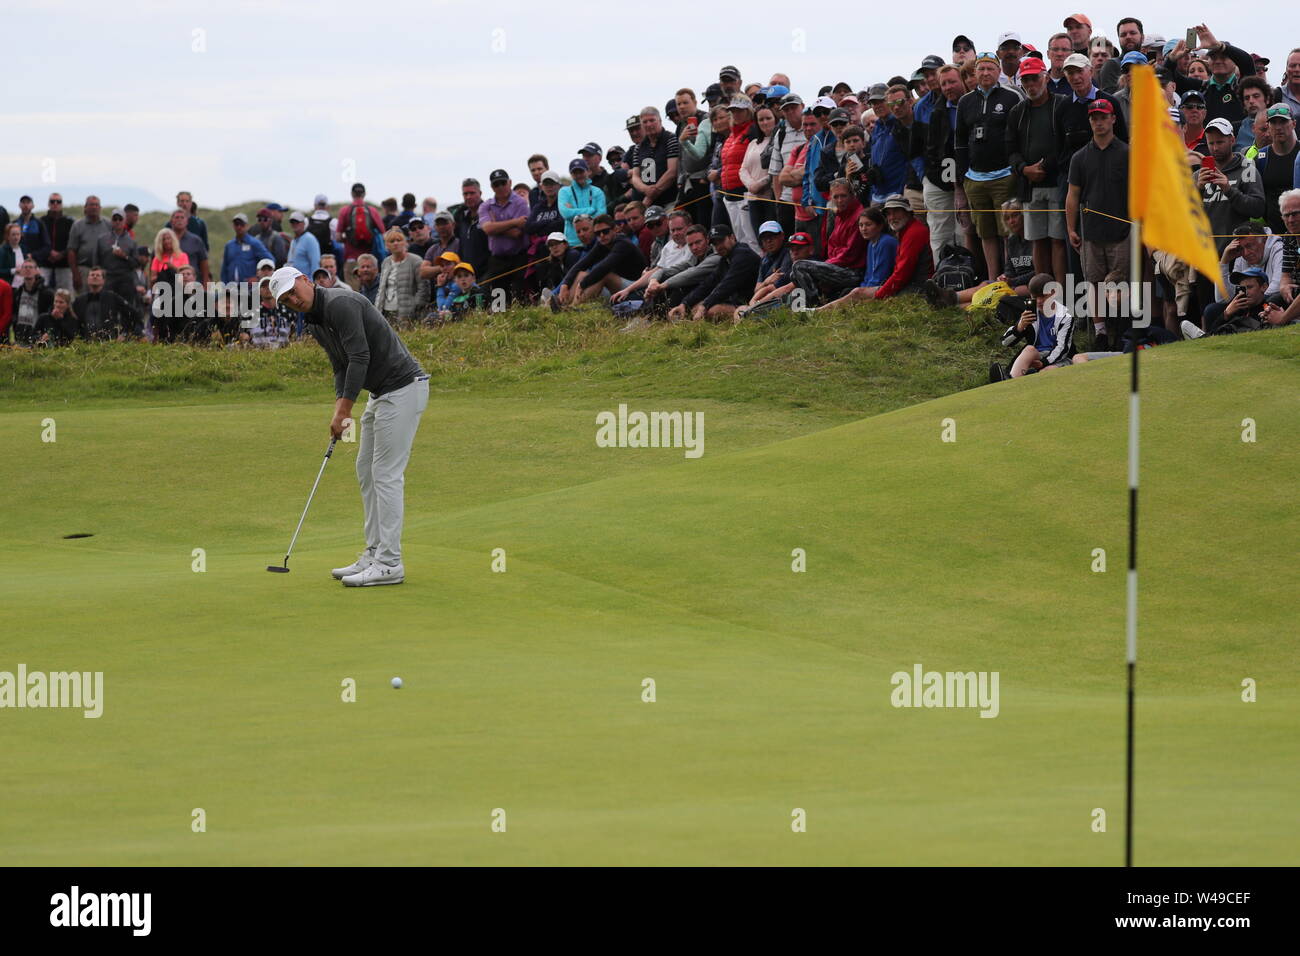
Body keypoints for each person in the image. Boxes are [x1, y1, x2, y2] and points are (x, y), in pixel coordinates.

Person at [270, 266, 429, 587]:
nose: (291, 299)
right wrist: (339, 407)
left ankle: (390, 562)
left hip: (403, 387)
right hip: (382, 393)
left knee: (385, 474)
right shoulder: (315, 322)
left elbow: (360, 356)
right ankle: (374, 552)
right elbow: (340, 365)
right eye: (284, 298)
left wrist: (345, 408)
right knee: (365, 470)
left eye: (292, 290)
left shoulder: (341, 303)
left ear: (306, 280)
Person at [1067, 98, 1130, 348]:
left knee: (1120, 282)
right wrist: (1071, 228)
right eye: (1094, 118)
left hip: (1122, 231)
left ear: (1113, 119)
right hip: (1090, 232)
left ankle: (1121, 328)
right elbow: (1072, 195)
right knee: (1093, 282)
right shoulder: (1080, 157)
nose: (1099, 122)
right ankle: (1101, 332)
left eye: (1103, 117)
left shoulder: (1127, 153)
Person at [955, 53, 1022, 279]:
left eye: (990, 69)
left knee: (1007, 231)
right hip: (975, 178)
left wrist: (1015, 168)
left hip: (1004, 175)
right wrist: (964, 176)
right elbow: (960, 141)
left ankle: (1009, 276)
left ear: (998, 71)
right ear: (974, 72)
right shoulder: (965, 102)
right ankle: (993, 279)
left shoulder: (1012, 97)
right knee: (985, 232)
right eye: (981, 69)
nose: (985, 73)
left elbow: (1020, 135)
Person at [1007, 57, 1068, 285]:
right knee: (1038, 240)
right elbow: (1010, 148)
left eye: (1034, 78)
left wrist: (1042, 166)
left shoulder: (1061, 104)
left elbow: (1065, 145)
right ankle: (1043, 292)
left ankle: (1061, 294)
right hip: (1030, 186)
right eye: (1026, 80)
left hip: (1055, 182)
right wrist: (1025, 169)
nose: (1031, 84)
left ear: (1044, 77)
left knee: (1057, 240)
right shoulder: (1017, 111)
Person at [672, 222, 761, 323]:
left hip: (752, 301)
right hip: (737, 300)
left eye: (721, 241)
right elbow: (708, 283)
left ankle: (743, 319)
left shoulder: (742, 254)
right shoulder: (725, 258)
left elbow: (726, 286)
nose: (718, 246)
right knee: (696, 307)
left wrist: (705, 306)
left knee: (711, 310)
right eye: (715, 244)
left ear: (732, 237)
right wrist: (684, 304)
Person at [555, 213, 647, 308]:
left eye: (605, 231)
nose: (602, 235)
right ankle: (563, 304)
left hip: (637, 288)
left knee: (605, 275)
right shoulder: (602, 244)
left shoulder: (623, 243)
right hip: (618, 287)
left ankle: (573, 308)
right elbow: (581, 264)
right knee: (582, 274)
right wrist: (565, 284)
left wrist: (581, 285)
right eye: (598, 233)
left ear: (615, 229)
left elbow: (604, 267)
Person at [817, 207, 897, 311]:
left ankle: (820, 311)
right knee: (844, 292)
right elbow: (868, 275)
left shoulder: (886, 242)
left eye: (868, 225)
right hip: (871, 285)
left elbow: (880, 276)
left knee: (854, 293)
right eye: (861, 225)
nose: (864, 229)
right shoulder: (871, 243)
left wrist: (862, 291)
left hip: (884, 288)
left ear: (880, 226)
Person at [1001, 273, 1075, 377]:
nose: (1039, 301)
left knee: (1046, 371)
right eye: (1035, 297)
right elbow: (1005, 342)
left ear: (1053, 293)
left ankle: (1012, 377)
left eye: (1043, 296)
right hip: (1035, 355)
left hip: (1058, 358)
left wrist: (1044, 362)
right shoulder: (1030, 314)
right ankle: (1011, 379)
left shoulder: (1065, 316)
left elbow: (1062, 348)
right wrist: (1019, 327)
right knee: (1029, 349)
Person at [627, 106, 681, 210]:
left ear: (660, 121)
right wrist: (646, 189)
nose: (649, 124)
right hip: (645, 203)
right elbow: (635, 176)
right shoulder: (638, 147)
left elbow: (672, 171)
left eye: (652, 120)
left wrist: (652, 193)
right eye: (645, 122)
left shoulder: (671, 139)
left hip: (669, 200)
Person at [339, 183, 387, 287]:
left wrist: (347, 239)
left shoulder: (344, 211)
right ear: (364, 194)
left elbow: (338, 237)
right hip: (368, 260)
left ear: (352, 194)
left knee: (353, 294)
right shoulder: (372, 211)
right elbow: (384, 234)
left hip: (351, 258)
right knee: (369, 292)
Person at [73, 266, 135, 340]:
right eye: (92, 275)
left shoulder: (112, 297)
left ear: (103, 281)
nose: (94, 277)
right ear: (87, 279)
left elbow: (132, 313)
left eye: (98, 275)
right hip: (86, 342)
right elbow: (73, 321)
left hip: (109, 342)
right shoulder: (79, 300)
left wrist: (124, 333)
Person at [375, 228, 422, 325]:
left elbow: (423, 289)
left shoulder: (416, 261)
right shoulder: (385, 262)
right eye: (392, 241)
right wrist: (377, 309)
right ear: (387, 245)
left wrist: (415, 307)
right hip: (385, 312)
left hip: (407, 313)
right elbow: (381, 289)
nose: (396, 243)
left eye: (399, 240)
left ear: (405, 242)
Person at [67, 195, 111, 294]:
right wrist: (75, 274)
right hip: (84, 270)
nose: (94, 207)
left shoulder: (108, 224)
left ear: (100, 208)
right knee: (83, 299)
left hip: (103, 270)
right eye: (91, 205)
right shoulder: (77, 226)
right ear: (85, 207)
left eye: (96, 205)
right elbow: (71, 251)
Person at [8, 259, 54, 345]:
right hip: (20, 335)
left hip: (38, 336)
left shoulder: (46, 293)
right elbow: (14, 312)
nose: (28, 269)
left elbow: (50, 315)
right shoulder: (17, 292)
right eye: (25, 267)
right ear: (21, 271)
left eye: (31, 267)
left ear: (37, 271)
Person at [221, 212, 275, 283]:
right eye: (236, 224)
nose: (239, 227)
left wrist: (258, 278)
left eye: (242, 224)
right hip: (232, 288)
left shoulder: (254, 243)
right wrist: (224, 284)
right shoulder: (229, 245)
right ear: (233, 226)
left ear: (247, 226)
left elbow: (270, 260)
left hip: (250, 289)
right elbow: (224, 268)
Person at [37, 193, 73, 291]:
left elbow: (73, 243)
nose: (55, 204)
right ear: (48, 204)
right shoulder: (41, 221)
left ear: (62, 204)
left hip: (63, 264)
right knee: (42, 292)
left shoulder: (69, 222)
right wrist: (48, 252)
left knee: (64, 294)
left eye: (58, 201)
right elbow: (37, 241)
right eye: (52, 201)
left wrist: (62, 254)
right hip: (45, 264)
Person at [169, 208, 210, 284]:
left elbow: (204, 265)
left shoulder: (196, 240)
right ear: (171, 221)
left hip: (193, 285)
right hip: (169, 285)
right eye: (177, 217)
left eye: (182, 217)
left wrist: (205, 285)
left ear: (187, 221)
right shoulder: (165, 239)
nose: (179, 220)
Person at [288, 210, 322, 277]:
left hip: (306, 282)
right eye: (292, 222)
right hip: (294, 282)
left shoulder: (310, 239)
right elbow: (290, 261)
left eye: (297, 222)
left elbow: (315, 264)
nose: (294, 224)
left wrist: (313, 284)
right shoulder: (294, 240)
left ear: (303, 223)